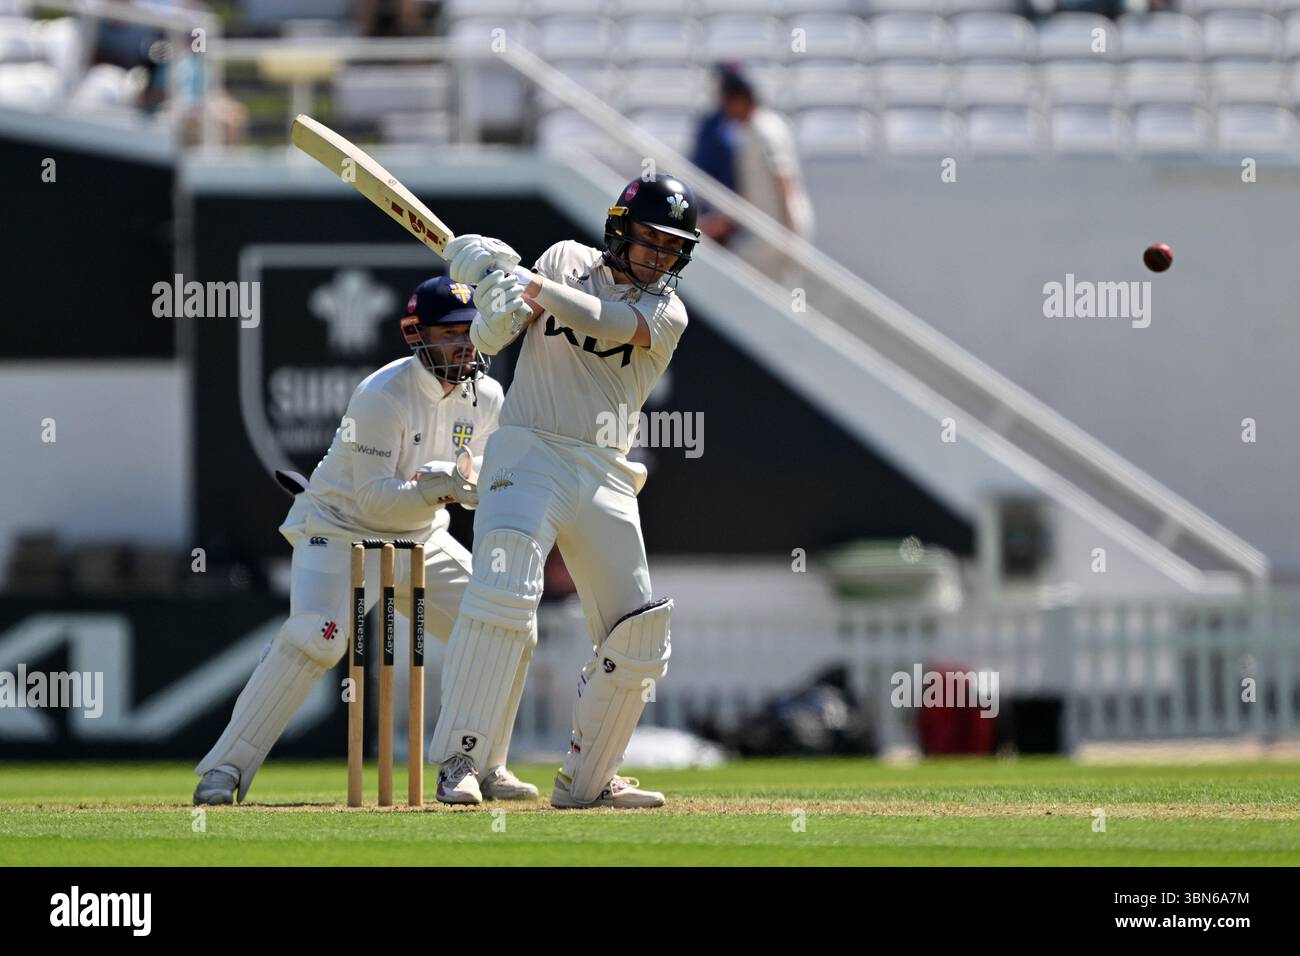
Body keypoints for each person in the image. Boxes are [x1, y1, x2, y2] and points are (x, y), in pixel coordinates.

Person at [193, 277, 537, 805]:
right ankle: (224, 769)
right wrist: (443, 486)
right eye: (450, 334)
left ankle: (478, 765)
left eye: (471, 333)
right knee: (318, 636)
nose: (465, 346)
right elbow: (376, 501)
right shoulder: (382, 396)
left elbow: (488, 472)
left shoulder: (487, 396)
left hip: (423, 539)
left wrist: (474, 483)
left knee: (508, 624)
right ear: (416, 336)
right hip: (341, 528)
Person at [427, 173, 701, 809]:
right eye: (648, 241)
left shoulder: (668, 312)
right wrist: (490, 291)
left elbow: (604, 322)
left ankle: (589, 781)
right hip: (529, 450)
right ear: (618, 230)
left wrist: (526, 282)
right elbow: (492, 340)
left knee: (639, 632)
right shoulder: (564, 260)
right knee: (504, 593)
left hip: (605, 469)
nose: (657, 257)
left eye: (670, 248)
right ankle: (462, 762)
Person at [709, 65, 813, 280]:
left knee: (748, 282)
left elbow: (783, 178)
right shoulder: (752, 129)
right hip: (768, 228)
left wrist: (788, 233)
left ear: (741, 99)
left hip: (778, 228)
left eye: (728, 102)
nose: (725, 110)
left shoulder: (764, 129)